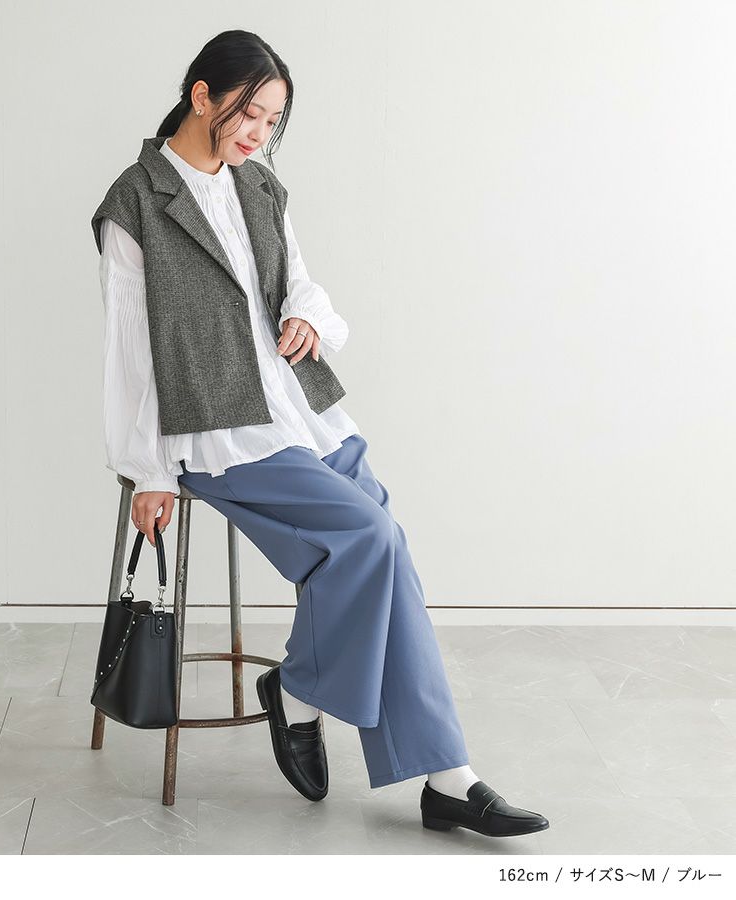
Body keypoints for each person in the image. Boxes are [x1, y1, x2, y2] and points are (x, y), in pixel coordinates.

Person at [92, 29, 549, 840]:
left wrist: (306, 316)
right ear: (202, 95)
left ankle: (439, 771)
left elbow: (301, 283)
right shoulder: (136, 202)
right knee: (371, 538)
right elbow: (129, 351)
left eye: (272, 121)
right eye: (249, 113)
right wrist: (149, 472)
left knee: (384, 547)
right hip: (221, 431)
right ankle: (312, 697)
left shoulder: (260, 188)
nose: (258, 133)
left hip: (302, 409)